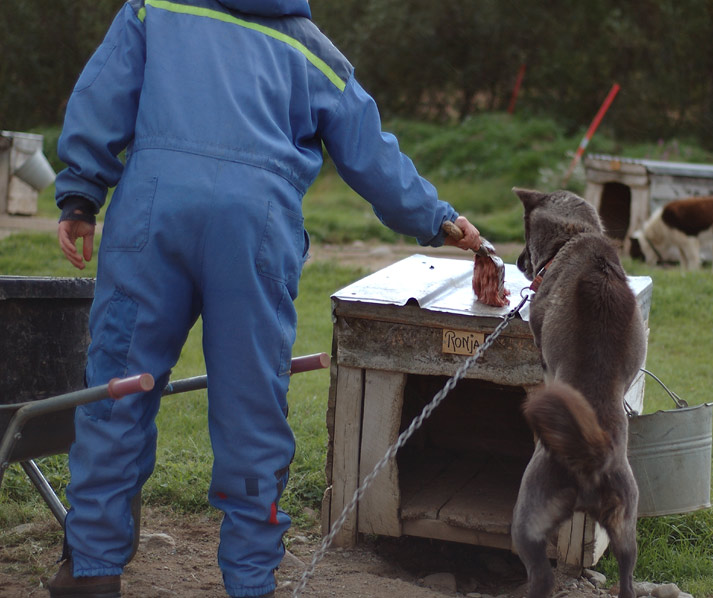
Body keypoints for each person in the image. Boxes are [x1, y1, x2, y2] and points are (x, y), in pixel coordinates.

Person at [51, 1, 482, 597]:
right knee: (251, 406)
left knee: (120, 388)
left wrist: (80, 193)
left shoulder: (155, 10)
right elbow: (371, 153)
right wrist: (437, 218)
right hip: (256, 225)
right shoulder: (314, 50)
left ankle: (91, 572)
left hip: (153, 215)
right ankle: (250, 584)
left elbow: (103, 94)